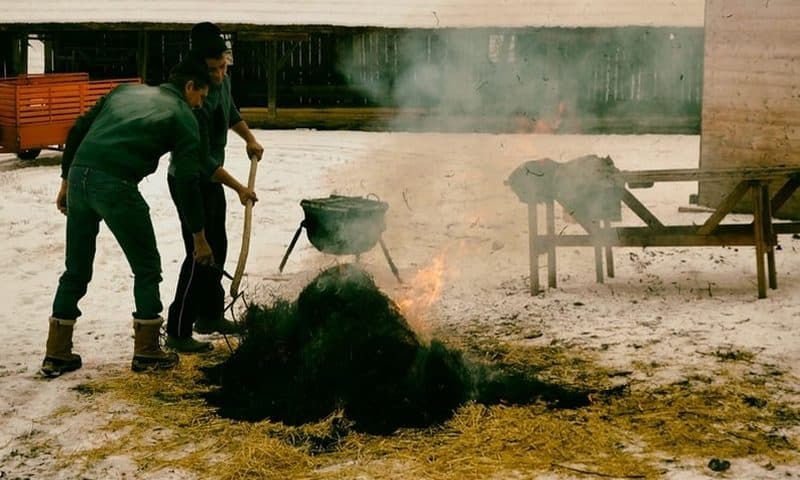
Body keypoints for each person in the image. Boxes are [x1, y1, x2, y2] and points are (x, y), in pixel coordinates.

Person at [41, 57, 256, 377]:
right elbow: (187, 179)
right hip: (116, 186)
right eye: (202, 95)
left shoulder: (124, 92)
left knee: (76, 268)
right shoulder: (182, 115)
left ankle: (57, 352)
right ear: (189, 87)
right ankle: (147, 351)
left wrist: (67, 181)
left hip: (80, 178)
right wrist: (199, 237)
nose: (201, 103)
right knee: (147, 268)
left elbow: (79, 129)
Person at [164, 22, 264, 352]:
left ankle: (209, 314)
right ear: (198, 69)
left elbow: (230, 110)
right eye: (214, 70)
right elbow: (202, 160)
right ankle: (178, 328)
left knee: (217, 246)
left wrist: (249, 137)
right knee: (199, 252)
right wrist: (239, 188)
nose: (220, 75)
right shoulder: (191, 97)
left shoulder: (218, 82)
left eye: (224, 67)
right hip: (189, 179)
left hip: (212, 177)